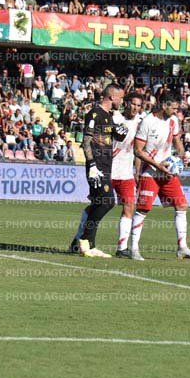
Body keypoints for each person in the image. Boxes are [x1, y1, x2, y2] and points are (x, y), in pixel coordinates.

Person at [130, 93, 190, 260]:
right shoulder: (147, 122)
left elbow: (177, 141)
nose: (176, 111)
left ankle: (182, 247)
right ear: (164, 106)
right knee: (143, 209)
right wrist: (157, 165)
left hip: (167, 172)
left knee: (182, 205)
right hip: (150, 172)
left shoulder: (173, 120)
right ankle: (133, 249)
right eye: (174, 108)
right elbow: (138, 151)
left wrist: (182, 155)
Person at [68, 84, 128, 258]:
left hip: (106, 166)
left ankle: (83, 244)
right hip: (97, 166)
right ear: (112, 97)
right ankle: (85, 240)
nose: (122, 101)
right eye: (120, 98)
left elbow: (114, 137)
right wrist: (92, 165)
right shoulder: (94, 114)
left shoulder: (109, 116)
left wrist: (120, 131)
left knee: (97, 203)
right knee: (107, 202)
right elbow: (86, 142)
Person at [112, 92, 145, 259]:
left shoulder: (141, 123)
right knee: (98, 206)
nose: (135, 108)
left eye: (138, 106)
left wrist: (137, 172)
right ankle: (80, 238)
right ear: (126, 103)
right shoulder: (115, 118)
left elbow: (138, 151)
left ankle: (122, 247)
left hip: (126, 173)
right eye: (133, 104)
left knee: (129, 206)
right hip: (108, 169)